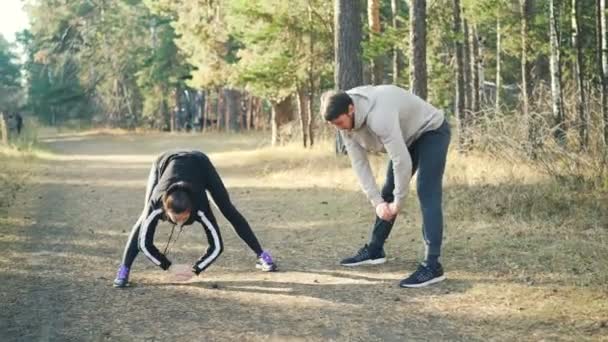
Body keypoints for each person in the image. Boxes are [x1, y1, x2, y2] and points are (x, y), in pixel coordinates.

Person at [320, 85, 451, 288]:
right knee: (387, 190)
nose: (339, 128)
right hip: (407, 137)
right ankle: (375, 250)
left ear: (350, 109)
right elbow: (359, 164)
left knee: (427, 190)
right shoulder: (345, 123)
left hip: (431, 130)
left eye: (339, 122)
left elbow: (402, 162)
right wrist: (377, 202)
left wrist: (398, 202)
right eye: (334, 125)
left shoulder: (379, 116)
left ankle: (432, 266)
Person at [113, 150, 277, 288]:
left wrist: (195, 269)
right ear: (165, 209)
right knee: (144, 218)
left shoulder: (200, 206)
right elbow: (144, 243)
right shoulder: (156, 204)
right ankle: (124, 269)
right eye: (175, 219)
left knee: (227, 209)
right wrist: (168, 267)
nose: (180, 224)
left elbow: (217, 245)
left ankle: (262, 255)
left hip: (200, 163)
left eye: (184, 219)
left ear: (191, 209)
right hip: (164, 161)